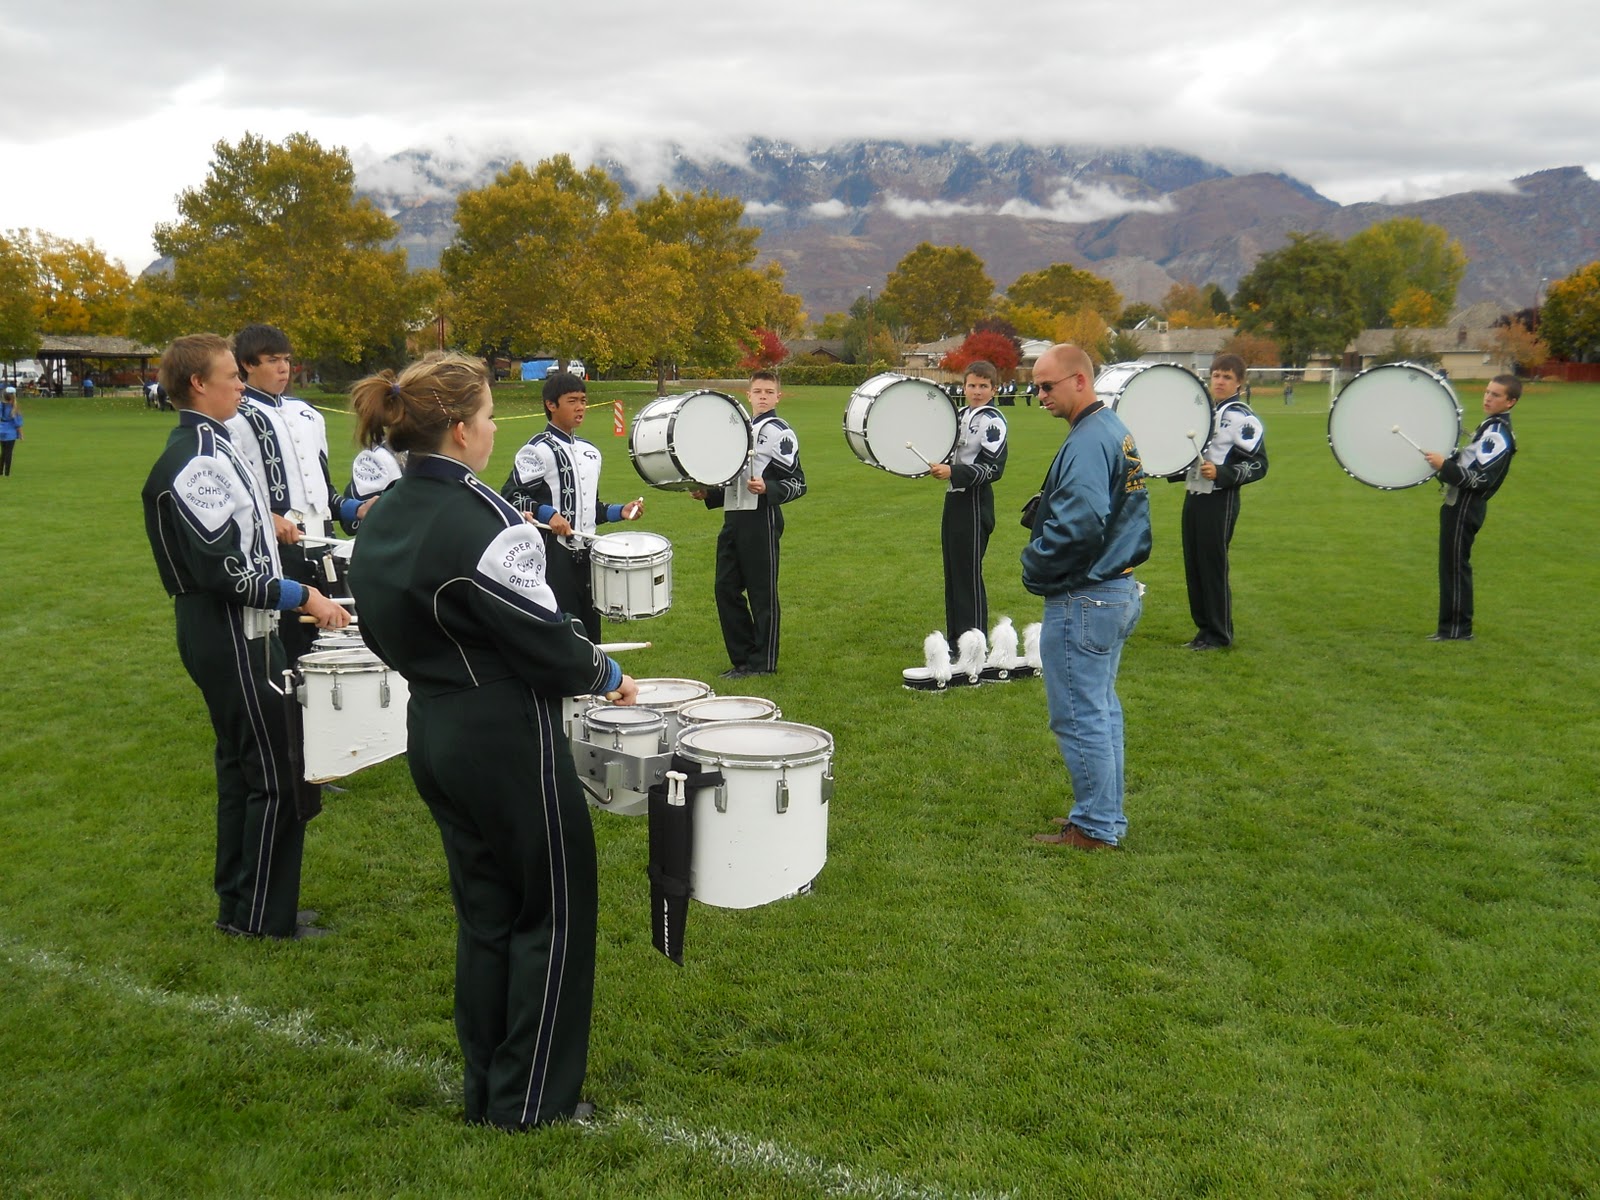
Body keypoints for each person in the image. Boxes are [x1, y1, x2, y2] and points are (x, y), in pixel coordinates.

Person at [346, 352, 637, 1130]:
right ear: (461, 429)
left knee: (486, 917)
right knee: (553, 912)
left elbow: (382, 623)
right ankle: (533, 1101)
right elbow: (543, 639)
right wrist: (605, 670)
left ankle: (488, 1088)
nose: (490, 432)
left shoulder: (386, 510)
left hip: (433, 724)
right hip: (505, 735)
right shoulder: (484, 520)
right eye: (486, 419)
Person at [141, 334, 349, 938]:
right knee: (276, 775)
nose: (240, 383)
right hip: (232, 631)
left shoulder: (216, 445)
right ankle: (261, 917)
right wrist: (303, 595)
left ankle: (242, 904)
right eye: (230, 375)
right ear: (198, 384)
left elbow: (234, 541)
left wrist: (273, 527)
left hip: (240, 631)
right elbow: (223, 572)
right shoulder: (197, 456)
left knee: (243, 770)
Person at [1022, 344, 1151, 851]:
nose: (1039, 395)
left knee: (1079, 714)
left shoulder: (1089, 438)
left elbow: (1080, 522)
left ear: (1080, 380)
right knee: (1100, 710)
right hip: (1115, 589)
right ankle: (1104, 816)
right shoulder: (1112, 429)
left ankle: (1095, 827)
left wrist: (1034, 564)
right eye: (1035, 386)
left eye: (1047, 385)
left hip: (1087, 595)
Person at [226, 324, 363, 663]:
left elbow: (327, 494)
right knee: (287, 649)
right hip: (275, 552)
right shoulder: (232, 418)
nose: (284, 368)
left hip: (325, 550)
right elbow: (229, 492)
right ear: (247, 364)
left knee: (335, 643)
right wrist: (266, 518)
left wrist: (357, 509)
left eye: (286, 359)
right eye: (272, 360)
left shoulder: (309, 414)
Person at [501, 372, 645, 641]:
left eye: (583, 400)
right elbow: (511, 495)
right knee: (562, 632)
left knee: (592, 632)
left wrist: (619, 511)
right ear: (551, 405)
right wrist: (548, 514)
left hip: (590, 557)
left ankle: (595, 683)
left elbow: (591, 510)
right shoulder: (536, 449)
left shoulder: (591, 451)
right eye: (572, 401)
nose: (580, 407)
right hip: (553, 557)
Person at [690, 370, 806, 679]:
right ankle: (742, 659)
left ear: (778, 396)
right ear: (748, 395)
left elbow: (798, 483)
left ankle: (763, 664)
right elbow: (732, 477)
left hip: (762, 519)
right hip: (734, 518)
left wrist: (769, 489)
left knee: (762, 593)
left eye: (770, 391)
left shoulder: (780, 432)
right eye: (758, 391)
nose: (764, 396)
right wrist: (708, 493)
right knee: (725, 587)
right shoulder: (739, 430)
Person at [1180, 354, 1267, 650]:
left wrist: (1223, 473)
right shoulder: (1203, 411)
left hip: (1220, 499)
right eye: (1216, 375)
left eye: (1227, 377)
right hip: (1195, 494)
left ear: (1239, 382)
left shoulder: (1243, 418)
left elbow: (1259, 464)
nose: (1219, 381)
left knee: (1213, 566)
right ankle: (1203, 631)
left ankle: (1219, 634)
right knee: (1194, 564)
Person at [1424, 375, 1519, 641]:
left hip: (1466, 507)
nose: (1488, 397)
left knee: (1455, 567)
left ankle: (1456, 631)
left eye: (1496, 395)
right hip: (1459, 504)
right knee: (1451, 566)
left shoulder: (1498, 434)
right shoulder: (1489, 427)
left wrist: (1445, 466)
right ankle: (1453, 628)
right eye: (1487, 392)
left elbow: (1482, 480)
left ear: (1511, 402)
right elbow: (1470, 465)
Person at [929, 361, 1008, 642]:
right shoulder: (959, 414)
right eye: (972, 385)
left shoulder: (993, 421)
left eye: (983, 386)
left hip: (975, 502)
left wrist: (954, 472)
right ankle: (956, 642)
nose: (976, 391)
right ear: (964, 387)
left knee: (968, 575)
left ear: (994, 389)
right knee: (953, 573)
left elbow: (993, 469)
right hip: (954, 500)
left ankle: (974, 643)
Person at [0, 387, 23, 476]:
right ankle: (7, 473)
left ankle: (0, 471)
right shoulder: (14, 408)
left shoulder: (1, 405)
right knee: (9, 452)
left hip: (1, 429)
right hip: (10, 431)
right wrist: (21, 434)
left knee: (3, 451)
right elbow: (17, 423)